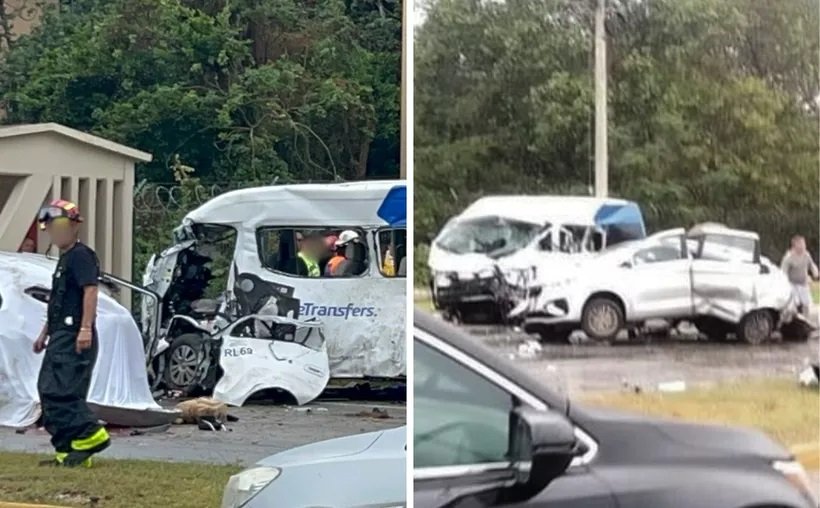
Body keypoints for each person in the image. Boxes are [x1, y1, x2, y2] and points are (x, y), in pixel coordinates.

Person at [32, 199, 110, 467]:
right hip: (60, 335)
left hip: (75, 334)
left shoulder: (81, 256)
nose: (56, 232)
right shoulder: (65, 259)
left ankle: (92, 435)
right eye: (51, 226)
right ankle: (68, 453)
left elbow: (90, 290)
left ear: (75, 226)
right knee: (48, 390)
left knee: (62, 392)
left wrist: (85, 328)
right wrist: (45, 333)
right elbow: (58, 300)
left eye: (61, 225)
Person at [781, 234, 819, 315]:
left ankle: (805, 319)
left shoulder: (806, 255)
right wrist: (785, 284)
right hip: (792, 284)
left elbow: (811, 264)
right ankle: (793, 319)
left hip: (803, 283)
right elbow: (783, 272)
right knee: (795, 303)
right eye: (801, 245)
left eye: (804, 244)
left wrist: (814, 270)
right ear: (795, 246)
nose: (804, 246)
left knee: (807, 304)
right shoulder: (789, 257)